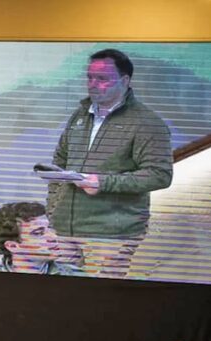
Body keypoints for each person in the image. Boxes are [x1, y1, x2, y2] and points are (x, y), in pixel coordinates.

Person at [47, 48, 173, 278]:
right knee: (63, 293)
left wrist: (103, 182)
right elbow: (61, 162)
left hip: (112, 233)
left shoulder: (147, 123)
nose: (93, 84)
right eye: (90, 77)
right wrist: (53, 208)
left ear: (124, 81)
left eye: (102, 78)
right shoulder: (80, 115)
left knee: (102, 296)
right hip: (64, 227)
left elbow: (159, 174)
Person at [0, 201, 78, 275]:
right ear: (13, 246)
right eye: (39, 233)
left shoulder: (74, 274)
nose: (53, 237)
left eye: (50, 228)